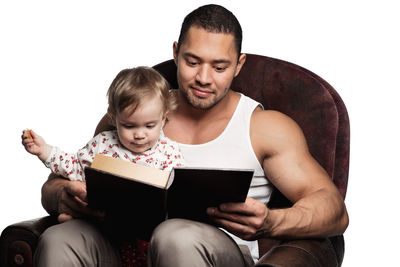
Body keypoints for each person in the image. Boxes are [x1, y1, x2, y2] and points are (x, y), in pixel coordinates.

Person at [36, 4, 349, 267]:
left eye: (219, 66)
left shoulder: (264, 127)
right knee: (59, 238)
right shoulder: (136, 114)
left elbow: (333, 209)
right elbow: (66, 176)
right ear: (176, 53)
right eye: (192, 61)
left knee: (175, 236)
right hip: (124, 245)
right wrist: (63, 195)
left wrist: (271, 222)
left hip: (213, 252)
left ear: (239, 65)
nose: (203, 78)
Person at [22, 66, 184, 182]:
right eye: (129, 126)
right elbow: (74, 168)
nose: (140, 135)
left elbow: (179, 191)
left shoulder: (169, 153)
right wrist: (44, 150)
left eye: (149, 126)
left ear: (163, 119)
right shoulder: (103, 144)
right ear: (113, 119)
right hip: (104, 217)